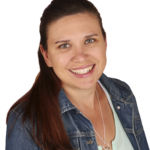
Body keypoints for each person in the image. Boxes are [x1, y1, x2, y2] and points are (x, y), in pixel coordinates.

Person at [5, 0, 150, 150]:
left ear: (105, 44)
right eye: (64, 45)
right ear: (47, 56)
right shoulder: (26, 122)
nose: (80, 57)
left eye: (90, 40)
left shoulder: (125, 95)